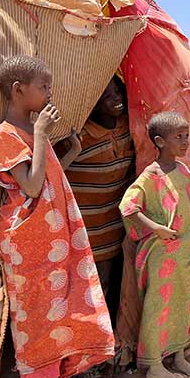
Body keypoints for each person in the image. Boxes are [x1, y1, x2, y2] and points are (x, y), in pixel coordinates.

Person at [0, 55, 114, 378]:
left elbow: (47, 176)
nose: (49, 93)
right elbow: (29, 186)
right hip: (29, 240)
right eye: (43, 86)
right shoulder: (5, 133)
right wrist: (42, 135)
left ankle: (56, 371)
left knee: (61, 306)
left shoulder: (31, 129)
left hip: (53, 238)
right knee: (37, 310)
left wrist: (69, 151)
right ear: (18, 90)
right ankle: (36, 375)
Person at [119, 111, 190, 378]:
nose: (185, 142)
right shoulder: (151, 175)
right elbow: (128, 207)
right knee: (157, 308)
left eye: (187, 136)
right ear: (159, 141)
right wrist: (156, 228)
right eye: (178, 137)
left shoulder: (183, 171)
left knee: (183, 303)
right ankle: (154, 365)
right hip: (162, 256)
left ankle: (178, 355)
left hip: (184, 255)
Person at [58, 77, 135, 298]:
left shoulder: (128, 127)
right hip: (84, 229)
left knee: (106, 283)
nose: (116, 99)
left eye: (117, 92)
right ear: (93, 103)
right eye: (107, 96)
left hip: (112, 228)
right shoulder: (77, 136)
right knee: (87, 287)